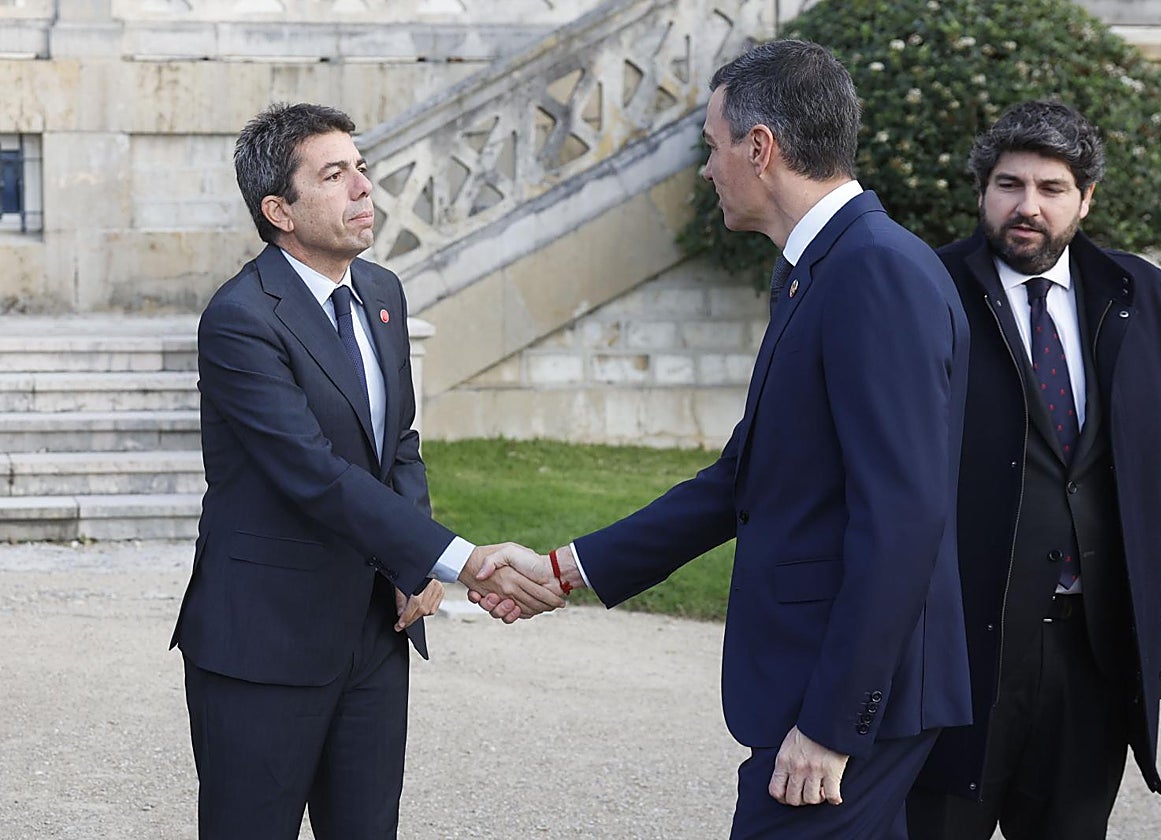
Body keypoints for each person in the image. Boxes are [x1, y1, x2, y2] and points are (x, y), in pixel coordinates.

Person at [476, 40, 973, 838]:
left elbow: (903, 519)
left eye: (712, 148)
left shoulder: (873, 272)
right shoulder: (818, 269)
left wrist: (832, 726)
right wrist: (567, 569)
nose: (707, 170)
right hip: (820, 692)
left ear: (760, 147)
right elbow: (745, 475)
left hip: (844, 709)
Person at [169, 102, 563, 840]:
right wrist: (459, 560)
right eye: (335, 174)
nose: (364, 189)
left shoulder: (381, 292)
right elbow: (314, 475)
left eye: (362, 169)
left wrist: (412, 564)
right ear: (278, 210)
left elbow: (398, 445)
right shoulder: (241, 319)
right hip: (265, 641)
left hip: (378, 629)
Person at [905, 100, 1161, 840]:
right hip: (962, 650)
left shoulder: (1138, 293)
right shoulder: (925, 288)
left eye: (1051, 188)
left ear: (1086, 198)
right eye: (1009, 185)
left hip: (1093, 647)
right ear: (981, 191)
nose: (1026, 206)